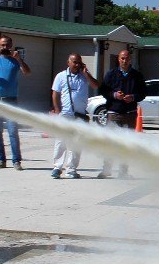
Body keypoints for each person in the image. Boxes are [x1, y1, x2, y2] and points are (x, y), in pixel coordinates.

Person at [0, 35, 30, 170]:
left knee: (13, 131)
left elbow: (27, 72)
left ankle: (16, 161)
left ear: (11, 45)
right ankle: (1, 160)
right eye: (2, 45)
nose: (5, 47)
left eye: (7, 45)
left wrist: (19, 59)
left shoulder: (15, 60)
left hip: (11, 100)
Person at [97, 49, 146, 179]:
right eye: (122, 58)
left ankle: (123, 172)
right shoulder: (111, 74)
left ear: (131, 59)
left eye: (127, 58)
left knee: (127, 143)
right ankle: (106, 169)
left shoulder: (137, 75)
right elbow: (102, 90)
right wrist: (114, 95)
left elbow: (143, 93)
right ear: (118, 59)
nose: (125, 61)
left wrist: (133, 97)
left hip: (130, 113)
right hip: (114, 112)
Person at [50, 53, 99, 179]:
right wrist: (56, 109)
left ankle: (71, 169)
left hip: (80, 115)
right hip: (66, 114)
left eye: (79, 62)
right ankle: (57, 167)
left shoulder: (84, 76)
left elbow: (96, 85)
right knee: (61, 141)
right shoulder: (61, 76)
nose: (77, 65)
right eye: (74, 62)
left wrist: (86, 72)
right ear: (68, 63)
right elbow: (55, 93)